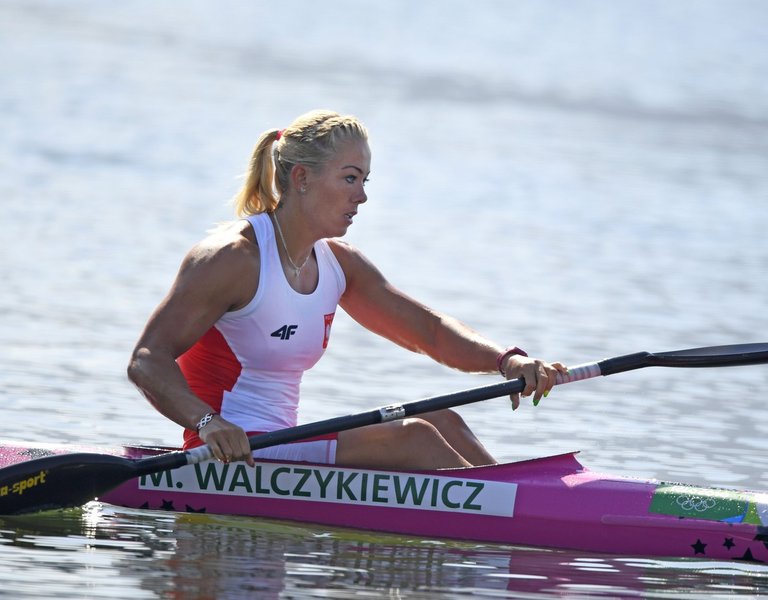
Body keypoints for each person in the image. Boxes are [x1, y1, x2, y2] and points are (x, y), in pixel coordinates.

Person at [127, 109, 567, 470]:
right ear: (301, 179)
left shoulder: (339, 264)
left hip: (282, 445)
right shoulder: (232, 258)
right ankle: (509, 528)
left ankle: (520, 504)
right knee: (414, 439)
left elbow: (428, 332)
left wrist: (508, 361)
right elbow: (147, 360)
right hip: (230, 452)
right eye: (350, 178)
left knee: (441, 420)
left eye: (364, 181)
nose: (362, 197)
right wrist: (207, 423)